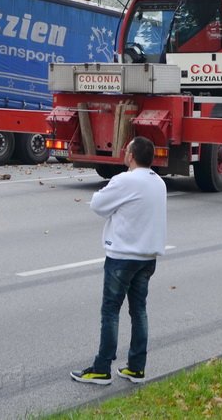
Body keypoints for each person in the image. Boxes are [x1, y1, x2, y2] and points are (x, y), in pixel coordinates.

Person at [71, 136, 167, 386]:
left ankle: (102, 368)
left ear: (131, 156)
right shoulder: (158, 183)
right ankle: (136, 367)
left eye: (127, 150)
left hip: (123, 256)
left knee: (110, 312)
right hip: (148, 257)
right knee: (139, 311)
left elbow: (98, 204)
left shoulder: (125, 180)